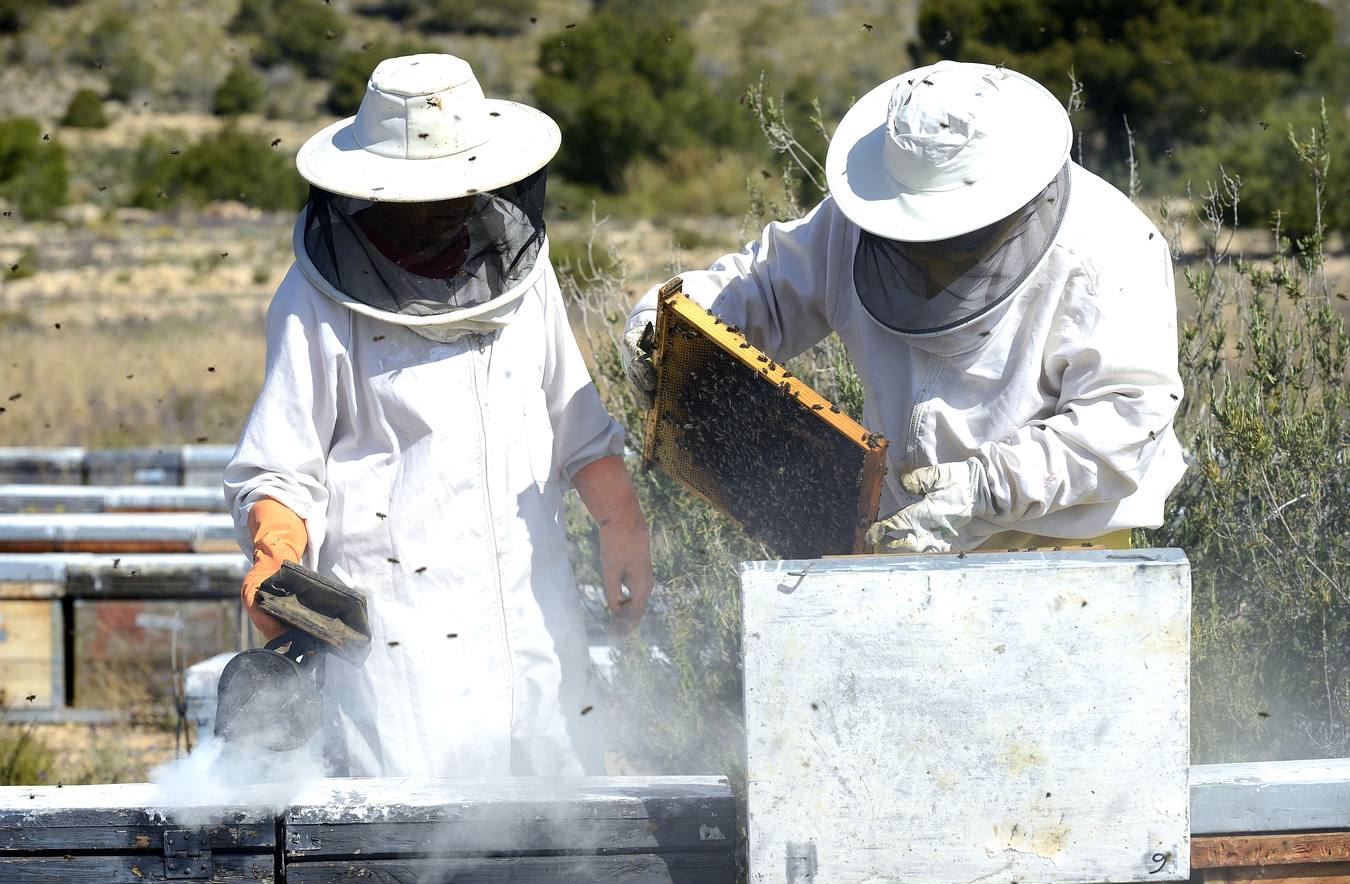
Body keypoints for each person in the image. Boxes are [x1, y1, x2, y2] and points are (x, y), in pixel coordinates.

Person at [225, 54, 653, 778]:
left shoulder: (524, 272)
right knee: (414, 860)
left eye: (453, 193)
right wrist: (275, 547)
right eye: (421, 199)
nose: (442, 211)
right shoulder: (317, 302)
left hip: (532, 614)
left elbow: (577, 422)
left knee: (564, 852)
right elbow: (281, 469)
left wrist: (621, 522)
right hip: (402, 648)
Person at [623, 60, 1185, 553]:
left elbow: (1128, 415)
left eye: (949, 235)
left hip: (1063, 546)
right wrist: (666, 327)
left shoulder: (1107, 245)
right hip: (899, 535)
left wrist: (986, 488)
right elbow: (764, 286)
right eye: (912, 235)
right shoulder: (856, 224)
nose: (928, 254)